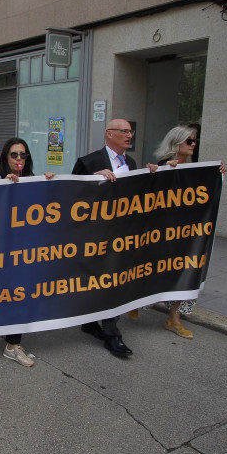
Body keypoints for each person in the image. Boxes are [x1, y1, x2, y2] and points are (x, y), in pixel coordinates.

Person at [71, 118, 158, 358]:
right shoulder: (88, 162)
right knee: (96, 281)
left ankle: (111, 333)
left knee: (114, 281)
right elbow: (72, 195)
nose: (129, 135)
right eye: (124, 131)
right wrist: (93, 179)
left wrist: (150, 176)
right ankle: (91, 323)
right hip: (94, 236)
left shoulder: (130, 162)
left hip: (120, 236)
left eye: (131, 131)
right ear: (109, 134)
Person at [149, 125, 227, 339]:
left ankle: (174, 318)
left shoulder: (197, 172)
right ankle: (137, 303)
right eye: (189, 141)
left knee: (189, 269)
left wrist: (217, 175)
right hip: (163, 234)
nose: (194, 145)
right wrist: (162, 172)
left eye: (195, 141)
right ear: (176, 143)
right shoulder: (161, 167)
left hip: (188, 233)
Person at [0, 137, 55, 366]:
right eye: (14, 154)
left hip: (24, 252)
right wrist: (1, 187)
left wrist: (49, 184)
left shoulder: (33, 180)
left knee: (20, 294)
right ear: (6, 157)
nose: (19, 159)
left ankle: (13, 345)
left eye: (23, 155)